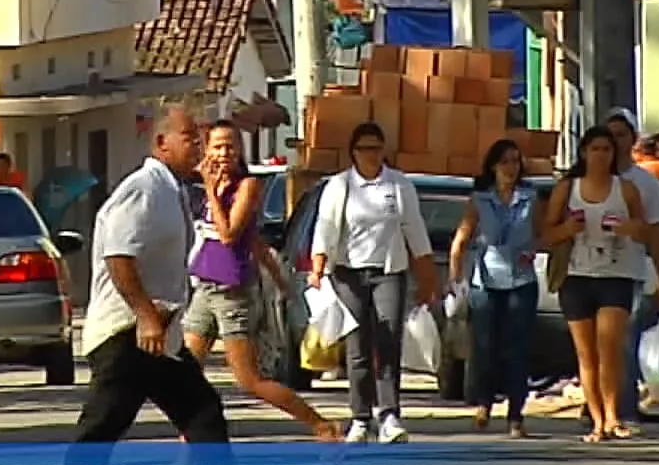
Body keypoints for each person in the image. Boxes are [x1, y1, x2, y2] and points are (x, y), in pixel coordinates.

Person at [74, 104, 231, 443]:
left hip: (162, 338)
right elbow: (118, 255)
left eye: (199, 140)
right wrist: (144, 315)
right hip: (127, 335)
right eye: (189, 138)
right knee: (100, 431)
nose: (197, 148)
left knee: (204, 414)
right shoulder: (143, 188)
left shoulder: (171, 189)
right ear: (162, 142)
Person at [183, 120, 340, 440]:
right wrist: (278, 277)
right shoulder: (215, 186)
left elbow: (229, 235)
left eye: (230, 146)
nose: (223, 152)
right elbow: (253, 240)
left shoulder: (246, 186)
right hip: (204, 286)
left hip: (232, 292)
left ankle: (321, 424)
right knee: (184, 371)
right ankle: (192, 434)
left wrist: (212, 191)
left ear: (239, 150)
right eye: (217, 146)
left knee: (249, 379)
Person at [307, 121, 440, 444]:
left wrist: (427, 277)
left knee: (388, 340)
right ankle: (360, 417)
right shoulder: (340, 186)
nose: (372, 155)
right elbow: (325, 230)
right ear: (354, 152)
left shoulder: (398, 185)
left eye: (377, 148)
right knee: (357, 348)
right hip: (348, 273)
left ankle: (390, 414)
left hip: (388, 272)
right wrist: (318, 268)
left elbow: (415, 230)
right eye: (366, 149)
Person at [542, 125, 649, 442]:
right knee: (586, 354)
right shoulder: (567, 188)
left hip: (616, 275)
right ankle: (597, 420)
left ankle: (613, 415)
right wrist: (567, 229)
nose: (601, 155)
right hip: (576, 276)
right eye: (595, 149)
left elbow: (645, 230)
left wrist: (627, 227)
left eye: (606, 149)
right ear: (584, 153)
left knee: (610, 349)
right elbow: (546, 234)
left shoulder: (625, 189)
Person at [448, 138, 542, 437]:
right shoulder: (480, 200)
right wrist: (456, 278)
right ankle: (484, 403)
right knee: (485, 347)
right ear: (493, 167)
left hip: (521, 280)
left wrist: (535, 249)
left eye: (516, 161)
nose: (511, 168)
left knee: (517, 349)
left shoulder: (530, 198)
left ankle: (516, 415)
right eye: (505, 162)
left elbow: (543, 233)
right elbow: (461, 240)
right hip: (486, 282)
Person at [604, 110, 659, 428]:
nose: (615, 142)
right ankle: (600, 405)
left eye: (621, 135)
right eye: (609, 135)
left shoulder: (646, 183)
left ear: (632, 140)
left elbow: (657, 233)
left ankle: (623, 408)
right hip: (591, 271)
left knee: (624, 339)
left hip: (633, 272)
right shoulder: (585, 180)